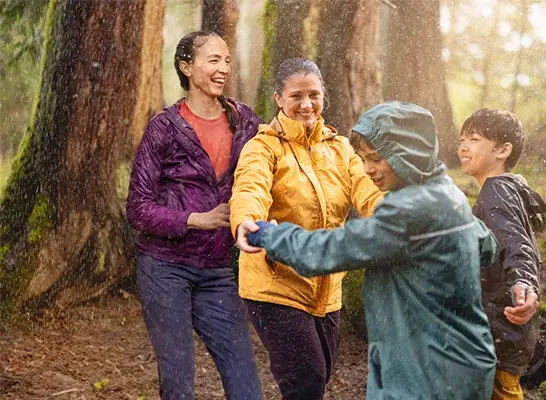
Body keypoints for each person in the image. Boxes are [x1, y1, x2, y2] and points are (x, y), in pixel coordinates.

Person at [241, 101, 498, 399]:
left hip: (425, 371)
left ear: (409, 153)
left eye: (376, 158)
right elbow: (487, 247)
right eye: (363, 159)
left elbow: (332, 250)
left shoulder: (410, 211)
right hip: (465, 359)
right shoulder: (447, 193)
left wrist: (271, 235)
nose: (368, 170)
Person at [230, 57, 383, 400]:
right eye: (296, 95)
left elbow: (367, 190)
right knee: (307, 381)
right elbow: (249, 188)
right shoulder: (263, 147)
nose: (306, 104)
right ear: (279, 99)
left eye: (313, 94)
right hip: (275, 282)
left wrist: (398, 216)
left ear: (323, 95)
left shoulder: (340, 148)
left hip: (328, 286)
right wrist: (245, 221)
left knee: (320, 375)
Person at [126, 30, 263, 400]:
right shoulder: (164, 128)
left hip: (217, 269)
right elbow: (137, 209)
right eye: (213, 60)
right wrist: (195, 219)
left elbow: (275, 158)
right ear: (187, 67)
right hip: (164, 267)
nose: (224, 69)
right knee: (178, 382)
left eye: (227, 61)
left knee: (246, 381)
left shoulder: (245, 121)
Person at [458, 108, 544, 400]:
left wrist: (524, 283)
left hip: (501, 328)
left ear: (503, 150)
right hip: (505, 331)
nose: (463, 146)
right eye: (462, 139)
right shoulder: (511, 189)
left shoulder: (496, 192)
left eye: (474, 139)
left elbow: (516, 244)